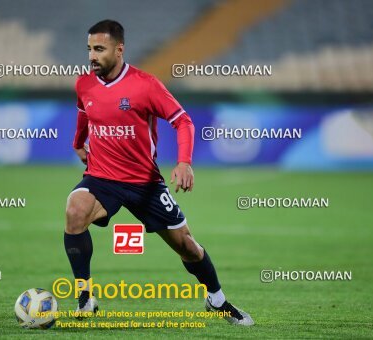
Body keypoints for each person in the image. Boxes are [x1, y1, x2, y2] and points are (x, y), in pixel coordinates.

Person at [64, 19, 253, 326]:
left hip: (145, 184)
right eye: (89, 49)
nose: (91, 56)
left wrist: (184, 162)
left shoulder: (145, 85)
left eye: (99, 49)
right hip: (102, 178)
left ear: (119, 49)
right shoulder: (84, 83)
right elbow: (84, 112)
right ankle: (85, 297)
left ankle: (216, 299)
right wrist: (77, 142)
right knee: (75, 211)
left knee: (187, 247)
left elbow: (183, 122)